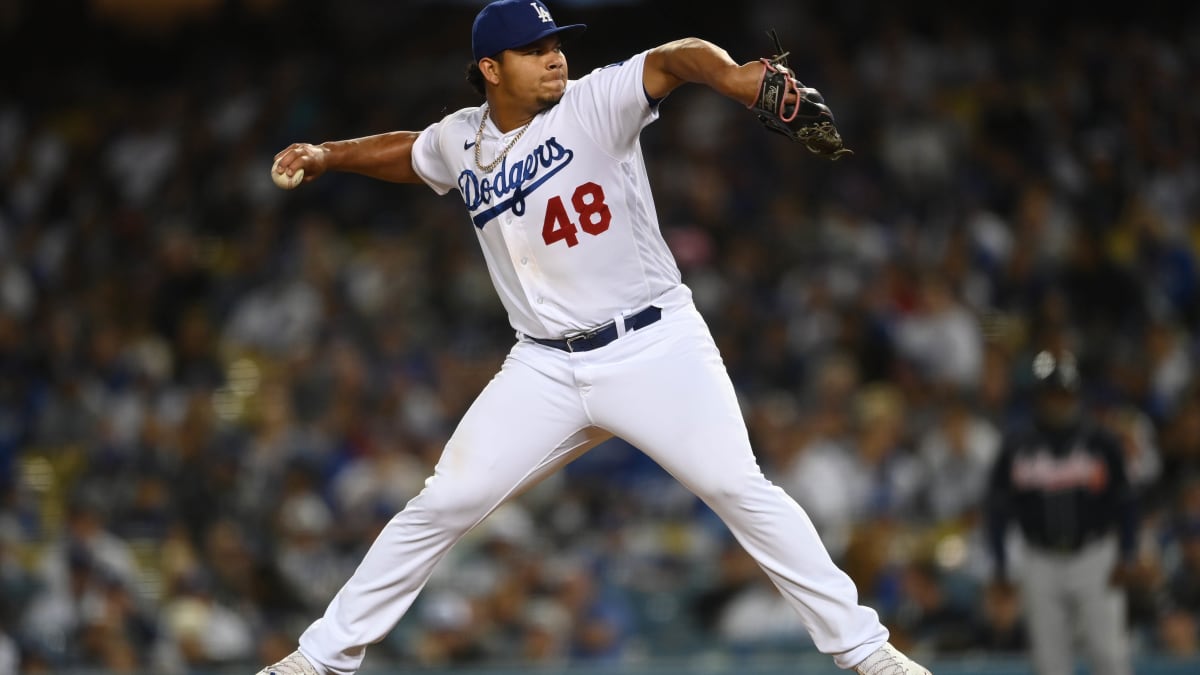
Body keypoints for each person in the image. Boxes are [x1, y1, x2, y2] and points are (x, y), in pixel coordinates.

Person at [258, 2, 930, 674]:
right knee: (444, 501)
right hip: (544, 366)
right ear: (491, 69)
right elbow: (409, 152)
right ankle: (318, 658)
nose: (554, 57)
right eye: (533, 49)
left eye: (555, 43)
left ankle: (866, 650)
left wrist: (729, 77)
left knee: (738, 486)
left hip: (651, 344)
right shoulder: (462, 139)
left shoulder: (593, 102)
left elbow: (673, 58)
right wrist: (327, 155)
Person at [985, 350, 1138, 675]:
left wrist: (1128, 551)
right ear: (1039, 398)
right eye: (1051, 394)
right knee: (1048, 662)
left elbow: (1126, 500)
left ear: (1077, 396)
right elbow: (996, 508)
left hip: (1095, 555)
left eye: (1064, 394)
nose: (1058, 401)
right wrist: (1000, 565)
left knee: (1109, 654)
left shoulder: (1101, 441)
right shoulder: (1017, 444)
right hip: (1039, 558)